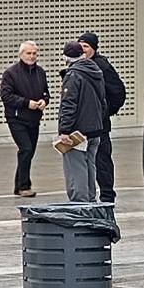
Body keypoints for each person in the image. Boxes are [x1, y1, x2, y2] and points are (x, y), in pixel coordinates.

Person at [77, 32, 126, 203]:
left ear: (94, 48)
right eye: (80, 46)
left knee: (102, 159)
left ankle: (107, 195)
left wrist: (105, 111)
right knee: (85, 160)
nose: (83, 49)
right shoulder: (80, 65)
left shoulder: (101, 66)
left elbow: (118, 92)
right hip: (83, 123)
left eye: (86, 46)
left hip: (99, 123)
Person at [57, 41, 107, 203]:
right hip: (95, 129)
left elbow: (69, 104)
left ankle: (80, 205)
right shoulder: (95, 71)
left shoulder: (73, 75)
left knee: (76, 168)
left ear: (66, 57)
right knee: (90, 165)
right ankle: (91, 202)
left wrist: (64, 130)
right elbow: (103, 101)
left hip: (77, 131)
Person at [0, 41, 49, 198]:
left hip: (34, 119)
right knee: (26, 149)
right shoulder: (11, 73)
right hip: (16, 118)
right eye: (28, 53)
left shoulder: (40, 72)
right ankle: (24, 186)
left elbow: (46, 93)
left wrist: (44, 101)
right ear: (21, 54)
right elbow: (6, 96)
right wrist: (27, 103)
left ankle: (19, 185)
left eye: (34, 53)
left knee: (29, 152)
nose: (32, 56)